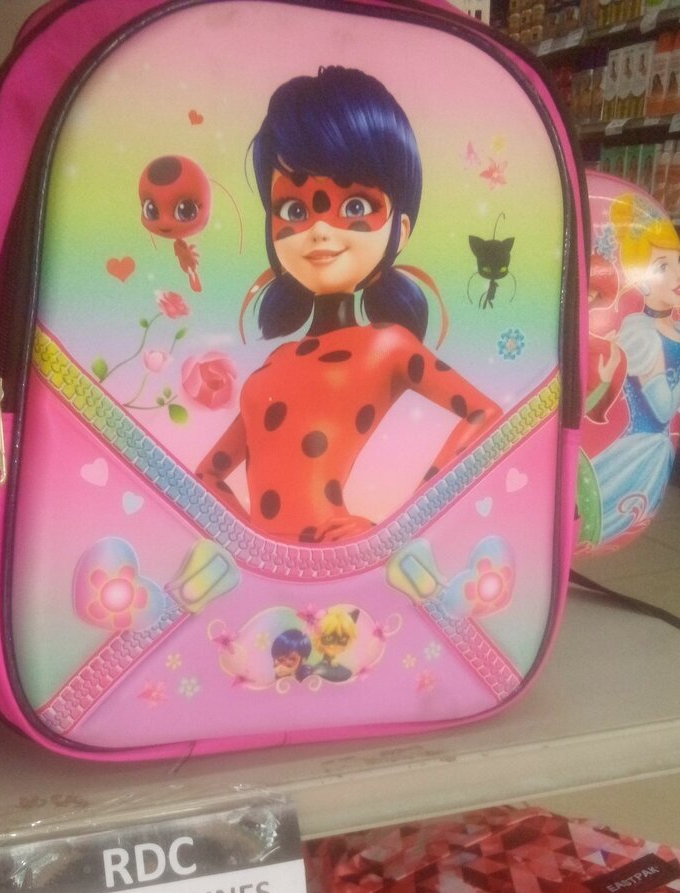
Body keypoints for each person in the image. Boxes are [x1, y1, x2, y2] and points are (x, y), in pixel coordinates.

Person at [195, 65, 501, 544]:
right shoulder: (278, 360)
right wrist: (247, 539)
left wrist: (404, 524)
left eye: (355, 206)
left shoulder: (388, 345)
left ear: (400, 228)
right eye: (294, 209)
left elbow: (485, 416)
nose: (320, 230)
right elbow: (208, 475)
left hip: (337, 554)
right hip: (264, 566)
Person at [591, 193, 680, 541]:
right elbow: (662, 410)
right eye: (663, 267)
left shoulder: (671, 330)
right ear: (641, 279)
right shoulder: (644, 336)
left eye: (679, 261)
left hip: (651, 449)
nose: (678, 274)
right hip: (644, 450)